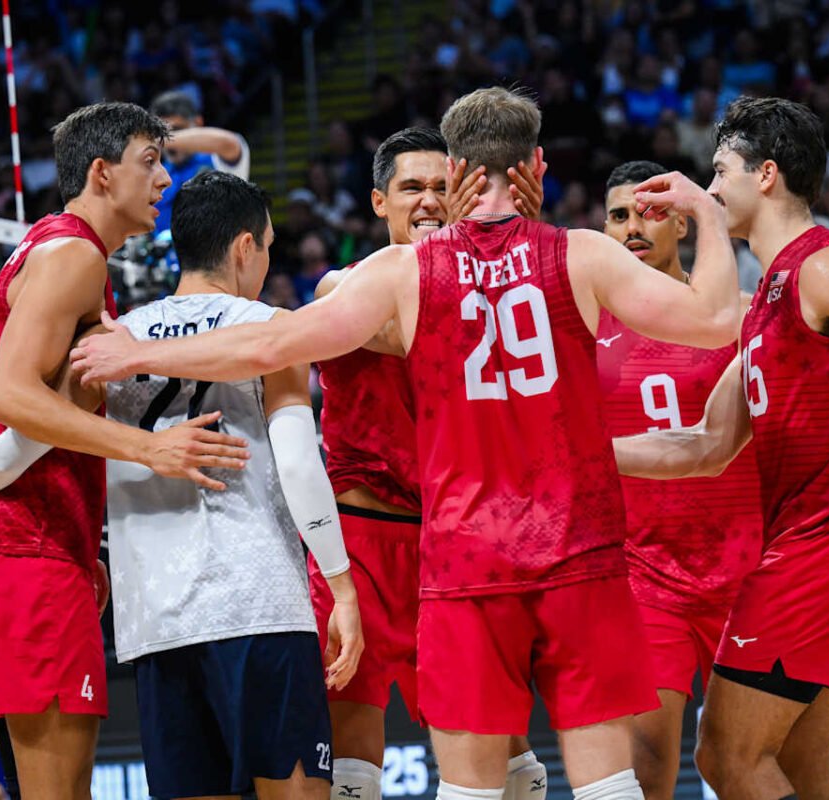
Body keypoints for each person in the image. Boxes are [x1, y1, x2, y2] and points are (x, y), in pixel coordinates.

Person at [71, 86, 741, 800]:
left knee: (474, 786)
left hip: (462, 553)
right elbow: (715, 318)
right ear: (536, 166)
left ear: (456, 174)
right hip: (571, 546)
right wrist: (705, 211)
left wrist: (136, 350)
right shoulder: (579, 255)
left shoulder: (402, 275)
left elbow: (271, 340)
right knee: (607, 782)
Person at [0, 171, 363, 800]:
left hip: (157, 623)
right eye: (270, 246)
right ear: (246, 247)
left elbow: (24, 438)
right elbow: (302, 466)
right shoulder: (270, 325)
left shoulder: (112, 336)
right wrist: (340, 583)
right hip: (259, 606)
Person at [613, 96, 829, 800]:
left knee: (726, 759)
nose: (709, 190)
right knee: (799, 765)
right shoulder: (766, 298)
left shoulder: (827, 268)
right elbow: (703, 445)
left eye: (719, 173)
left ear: (765, 175)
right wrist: (585, 449)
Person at [0, 102, 250, 800]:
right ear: (103, 173)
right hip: (25, 550)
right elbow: (7, 402)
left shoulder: (40, 251)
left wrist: (71, 531)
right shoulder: (75, 255)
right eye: (151, 161)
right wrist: (150, 447)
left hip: (4, 549)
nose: (166, 179)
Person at [311, 127, 547, 800]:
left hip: (455, 542)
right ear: (381, 200)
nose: (428, 201)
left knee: (512, 766)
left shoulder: (489, 292)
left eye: (443, 188)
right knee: (351, 773)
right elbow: (412, 328)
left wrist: (512, 250)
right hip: (359, 543)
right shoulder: (342, 283)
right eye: (412, 188)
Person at [597, 160, 761, 799]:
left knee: (741, 765)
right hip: (643, 576)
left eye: (650, 211)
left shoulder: (740, 316)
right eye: (618, 215)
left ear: (685, 225)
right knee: (645, 765)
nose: (633, 226)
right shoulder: (581, 328)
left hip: (746, 571)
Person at [148, 90, 250, 239]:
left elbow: (229, 142)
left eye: (177, 130)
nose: (170, 141)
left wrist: (156, 140)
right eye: (161, 131)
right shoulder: (154, 173)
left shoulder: (218, 159)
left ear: (198, 123)